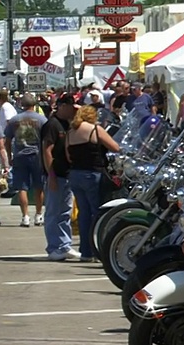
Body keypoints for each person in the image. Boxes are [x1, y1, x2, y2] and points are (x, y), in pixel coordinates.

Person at [66, 106, 120, 262]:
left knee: (84, 214)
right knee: (98, 213)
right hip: (92, 173)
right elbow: (115, 147)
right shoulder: (95, 129)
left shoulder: (70, 133)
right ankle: (98, 250)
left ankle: (85, 252)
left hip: (75, 174)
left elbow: (69, 157)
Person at [41, 93, 81, 261]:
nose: (73, 110)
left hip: (66, 174)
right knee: (53, 212)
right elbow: (47, 151)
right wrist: (51, 175)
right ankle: (53, 247)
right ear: (63, 106)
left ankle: (64, 244)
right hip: (55, 174)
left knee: (65, 211)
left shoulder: (67, 124)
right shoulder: (52, 125)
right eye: (71, 107)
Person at [5, 94, 46, 227]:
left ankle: (25, 216)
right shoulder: (41, 119)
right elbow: (47, 139)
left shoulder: (14, 120)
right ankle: (39, 215)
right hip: (37, 155)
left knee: (22, 187)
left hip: (20, 154)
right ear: (34, 104)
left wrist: (9, 155)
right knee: (39, 186)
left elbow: (7, 139)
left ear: (22, 104)